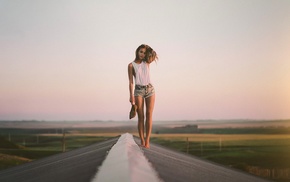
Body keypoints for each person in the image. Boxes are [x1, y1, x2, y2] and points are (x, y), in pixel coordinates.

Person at [128, 44, 158, 149]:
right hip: (138, 90)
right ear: (137, 52)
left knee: (149, 114)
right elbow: (131, 82)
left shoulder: (147, 62)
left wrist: (147, 47)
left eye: (144, 52)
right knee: (141, 117)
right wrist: (131, 96)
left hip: (150, 89)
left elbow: (153, 54)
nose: (142, 54)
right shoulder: (131, 65)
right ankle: (142, 140)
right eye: (141, 52)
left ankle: (147, 141)